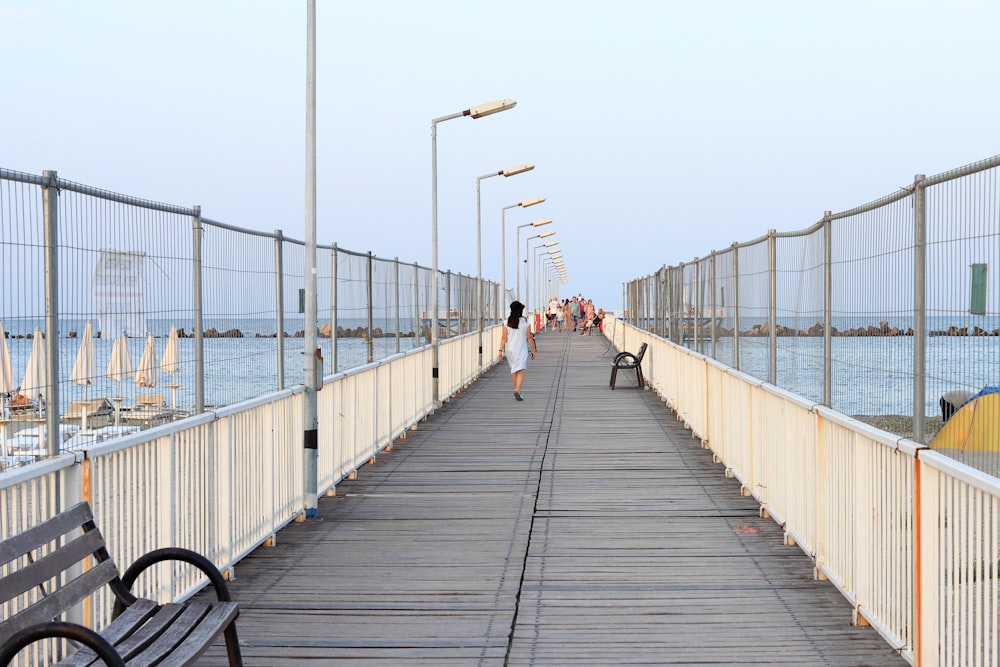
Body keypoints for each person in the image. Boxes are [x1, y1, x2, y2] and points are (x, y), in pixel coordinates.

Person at [498, 301, 535, 401]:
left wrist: (500, 351)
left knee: (514, 370)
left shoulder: (507, 322)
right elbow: (529, 338)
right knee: (521, 369)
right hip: (521, 348)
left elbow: (503, 337)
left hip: (510, 349)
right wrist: (533, 351)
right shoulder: (525, 321)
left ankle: (517, 390)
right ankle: (517, 389)